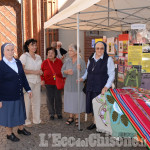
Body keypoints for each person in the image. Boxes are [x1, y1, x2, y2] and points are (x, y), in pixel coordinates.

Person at [0, 43, 32, 142]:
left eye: (12, 50)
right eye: (8, 50)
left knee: (20, 112)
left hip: (18, 94)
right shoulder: (1, 65)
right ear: (3, 52)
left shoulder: (17, 62)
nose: (10, 52)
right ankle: (9, 134)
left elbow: (22, 77)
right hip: (6, 97)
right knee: (9, 116)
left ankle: (21, 129)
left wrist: (28, 89)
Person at [80, 41, 115, 130]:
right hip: (90, 85)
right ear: (95, 49)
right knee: (92, 105)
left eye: (101, 48)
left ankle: (100, 124)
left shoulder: (108, 59)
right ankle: (94, 122)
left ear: (104, 49)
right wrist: (83, 78)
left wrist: (106, 86)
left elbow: (111, 74)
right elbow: (87, 71)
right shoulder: (91, 57)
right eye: (97, 48)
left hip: (100, 86)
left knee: (100, 106)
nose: (99, 50)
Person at [20, 39, 43, 127]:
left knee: (37, 101)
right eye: (32, 45)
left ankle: (37, 120)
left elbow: (40, 69)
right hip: (27, 82)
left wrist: (40, 73)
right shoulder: (24, 56)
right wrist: (35, 72)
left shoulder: (38, 57)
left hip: (37, 81)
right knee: (27, 102)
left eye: (35, 45)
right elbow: (21, 70)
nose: (34, 47)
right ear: (27, 46)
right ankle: (26, 121)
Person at [61, 44, 86, 126]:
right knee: (70, 101)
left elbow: (85, 74)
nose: (69, 52)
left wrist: (80, 70)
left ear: (76, 52)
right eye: (69, 50)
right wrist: (66, 72)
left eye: (71, 50)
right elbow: (62, 71)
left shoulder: (81, 61)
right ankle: (70, 116)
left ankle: (77, 117)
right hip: (68, 85)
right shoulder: (67, 61)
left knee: (77, 101)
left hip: (77, 85)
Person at [41, 47, 63, 120]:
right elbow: (41, 72)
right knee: (50, 99)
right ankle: (51, 113)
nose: (50, 54)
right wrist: (42, 80)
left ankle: (59, 113)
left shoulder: (59, 61)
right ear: (47, 54)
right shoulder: (44, 62)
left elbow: (63, 72)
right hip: (48, 83)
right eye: (49, 53)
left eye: (52, 53)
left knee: (58, 98)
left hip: (58, 83)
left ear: (55, 54)